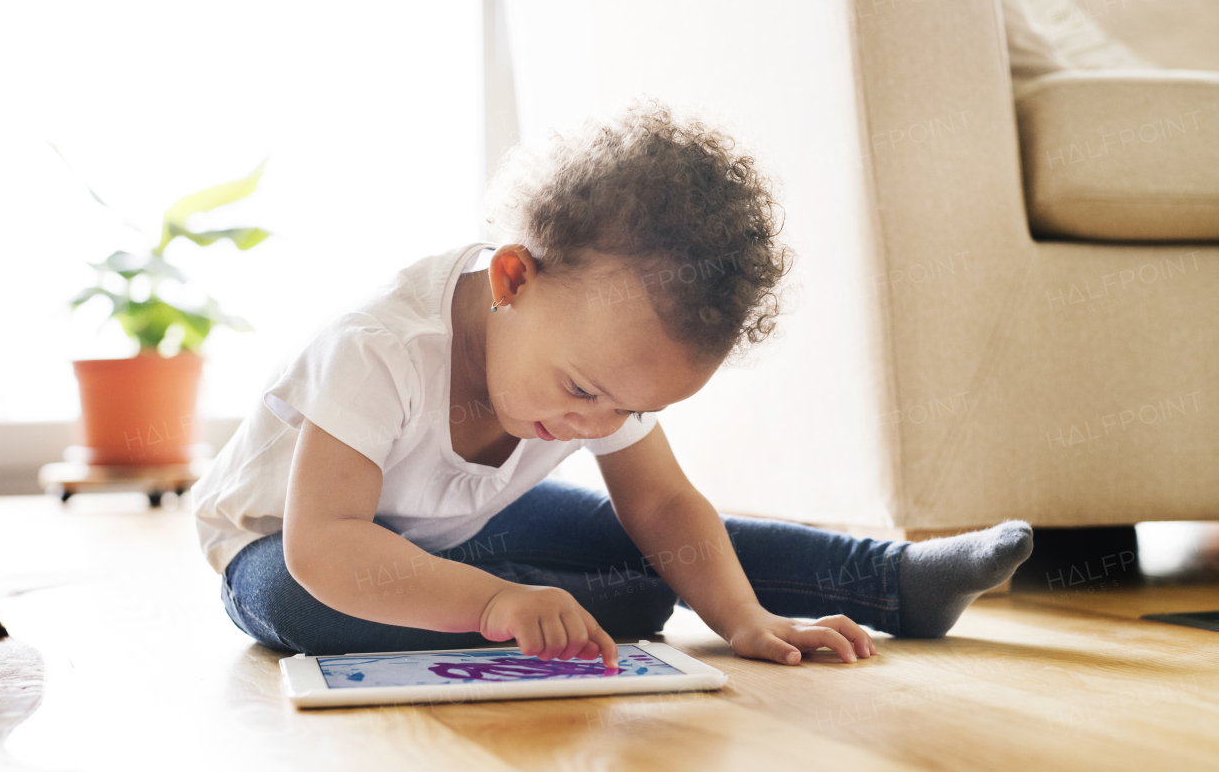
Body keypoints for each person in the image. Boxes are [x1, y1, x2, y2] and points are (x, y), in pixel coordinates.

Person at [194, 99, 1033, 669]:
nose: (599, 424)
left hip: (456, 529)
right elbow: (326, 545)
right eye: (585, 391)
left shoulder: (597, 376)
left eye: (634, 408)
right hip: (284, 545)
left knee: (649, 532)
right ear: (515, 280)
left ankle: (893, 579)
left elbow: (665, 504)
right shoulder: (381, 348)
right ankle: (593, 607)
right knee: (307, 609)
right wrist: (494, 603)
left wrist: (741, 617)